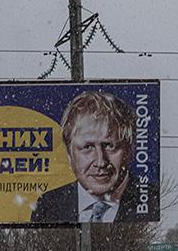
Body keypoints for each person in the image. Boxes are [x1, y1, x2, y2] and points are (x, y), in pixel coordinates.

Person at [31, 89, 141, 224]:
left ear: (130, 150)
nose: (100, 162)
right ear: (69, 154)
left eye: (109, 146)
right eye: (87, 147)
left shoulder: (151, 202)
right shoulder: (48, 206)